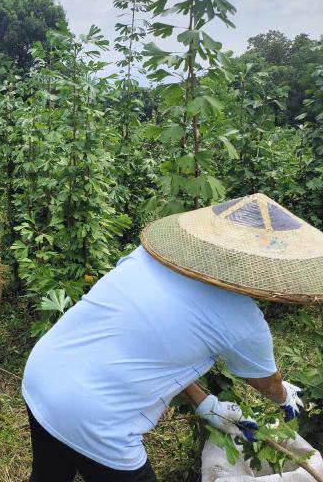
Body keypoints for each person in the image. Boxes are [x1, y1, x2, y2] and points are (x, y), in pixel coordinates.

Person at [22, 193, 317, 482]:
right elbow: (267, 382)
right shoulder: (244, 322)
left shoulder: (147, 260)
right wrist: (284, 396)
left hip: (43, 373)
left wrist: (206, 403)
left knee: (50, 475)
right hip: (95, 418)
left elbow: (158, 349)